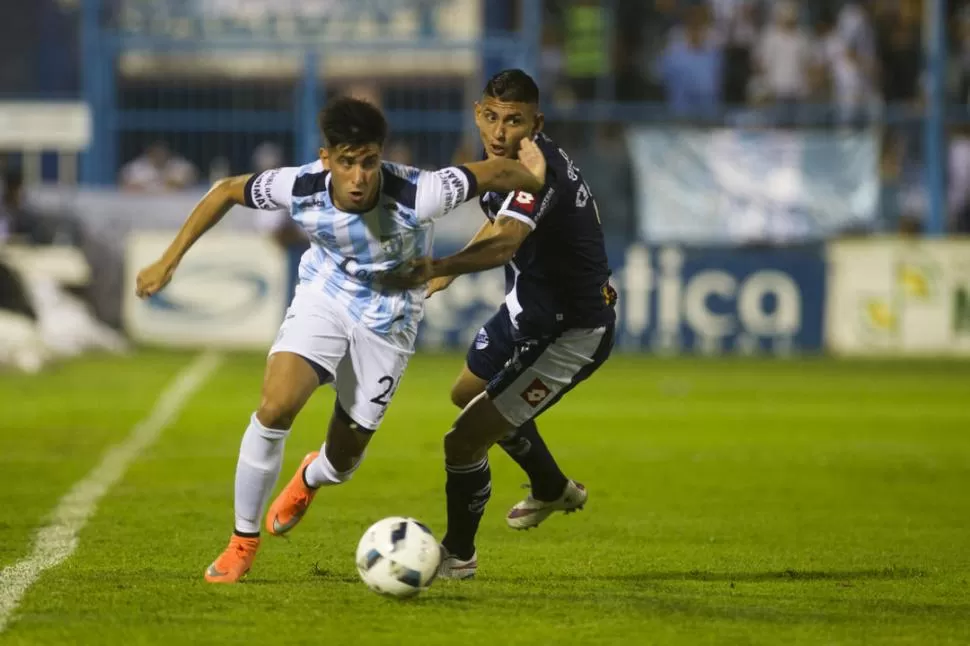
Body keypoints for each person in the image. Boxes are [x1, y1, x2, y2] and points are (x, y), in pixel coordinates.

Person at [134, 96, 548, 584]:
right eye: (346, 163)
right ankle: (242, 541)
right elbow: (225, 190)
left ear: (380, 156)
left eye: (369, 162)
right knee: (276, 407)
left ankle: (311, 476)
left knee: (344, 461)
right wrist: (169, 260)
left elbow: (497, 173)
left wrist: (537, 179)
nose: (358, 177)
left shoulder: (422, 192)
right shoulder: (300, 185)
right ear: (326, 157)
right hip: (325, 298)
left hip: (389, 323)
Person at [384, 69, 617, 579]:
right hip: (527, 311)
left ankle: (459, 556)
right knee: (465, 392)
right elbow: (498, 218)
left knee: (462, 440)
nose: (499, 131)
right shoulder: (505, 165)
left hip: (570, 332)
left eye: (513, 121)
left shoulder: (540, 172)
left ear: (536, 122)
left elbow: (509, 239)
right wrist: (453, 268)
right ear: (477, 113)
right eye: (491, 117)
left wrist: (440, 266)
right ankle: (552, 487)